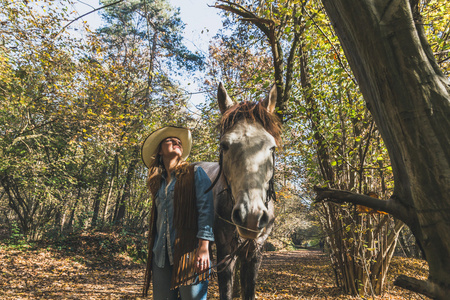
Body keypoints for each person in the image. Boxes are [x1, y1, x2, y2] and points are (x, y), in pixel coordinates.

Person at [141, 126, 214, 300]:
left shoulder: (195, 173)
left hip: (189, 252)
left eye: (179, 142)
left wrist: (204, 248)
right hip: (161, 254)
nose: (177, 143)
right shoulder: (157, 183)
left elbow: (206, 210)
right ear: (159, 151)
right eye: (170, 140)